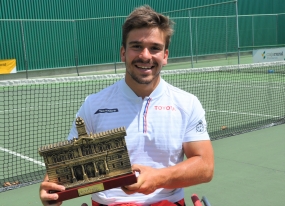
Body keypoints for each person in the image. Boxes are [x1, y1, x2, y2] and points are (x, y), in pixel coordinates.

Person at [39, 5, 214, 206]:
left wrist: (158, 178)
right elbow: (68, 167)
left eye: (155, 48)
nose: (145, 56)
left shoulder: (187, 103)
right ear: (123, 53)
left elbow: (205, 166)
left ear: (165, 55)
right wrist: (52, 191)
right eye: (136, 46)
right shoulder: (93, 105)